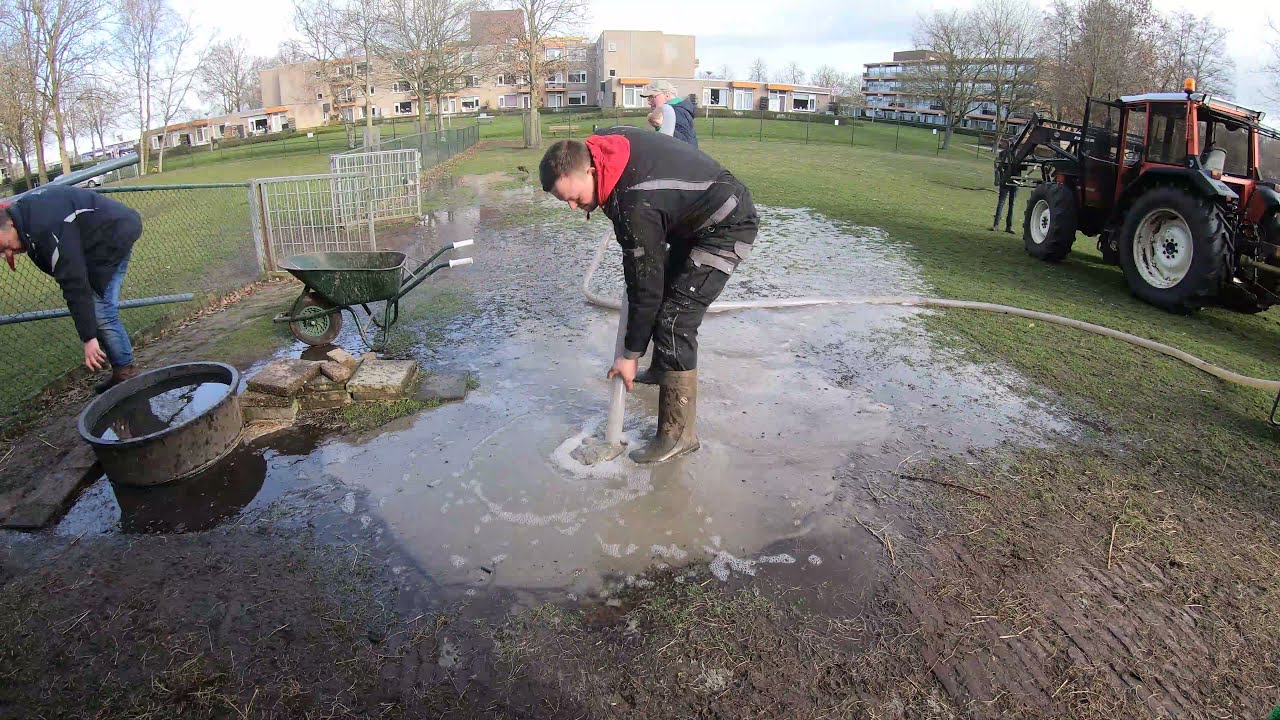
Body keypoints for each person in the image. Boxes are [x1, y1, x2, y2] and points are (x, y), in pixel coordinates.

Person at [540, 126, 757, 465]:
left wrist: (629, 355)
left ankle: (679, 436)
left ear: (590, 170)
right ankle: (662, 370)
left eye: (575, 197)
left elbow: (645, 285)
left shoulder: (634, 203)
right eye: (563, 200)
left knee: (676, 318)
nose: (572, 207)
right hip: (693, 220)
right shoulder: (603, 150)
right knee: (664, 295)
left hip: (726, 224)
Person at [0, 184, 145, 392]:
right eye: (2, 252)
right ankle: (119, 367)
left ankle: (127, 373)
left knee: (101, 310)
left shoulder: (46, 228)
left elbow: (74, 283)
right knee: (94, 308)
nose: (9, 254)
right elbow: (65, 274)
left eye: (6, 245)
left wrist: (88, 338)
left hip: (114, 234)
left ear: (11, 224)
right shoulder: (27, 223)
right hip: (93, 242)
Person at [641, 80, 697, 147]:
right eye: (648, 98)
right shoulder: (672, 111)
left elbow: (684, 144)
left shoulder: (676, 111)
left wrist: (659, 126)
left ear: (667, 96)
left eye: (652, 97)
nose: (649, 102)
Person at [992, 137, 1018, 233]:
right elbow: (998, 166)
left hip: (1015, 181)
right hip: (1005, 181)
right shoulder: (1003, 154)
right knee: (1001, 203)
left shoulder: (1018, 155)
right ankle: (996, 224)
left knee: (1012, 204)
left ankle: (1009, 226)